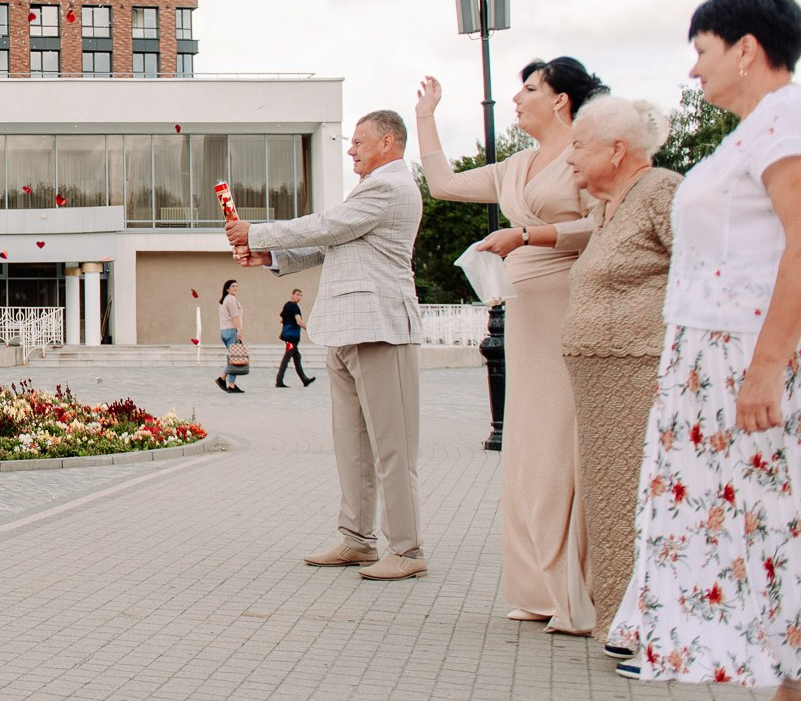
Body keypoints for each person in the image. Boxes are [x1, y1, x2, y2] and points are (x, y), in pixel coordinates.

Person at [605, 0, 801, 701]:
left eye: (701, 51)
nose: (692, 71)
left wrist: (766, 362)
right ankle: (790, 693)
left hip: (751, 356)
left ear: (746, 48)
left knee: (785, 525)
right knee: (757, 530)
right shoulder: (751, 131)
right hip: (710, 359)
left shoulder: (784, 119)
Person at [417, 59, 604, 635]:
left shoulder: (589, 152)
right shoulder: (516, 166)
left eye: (529, 89)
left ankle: (577, 594)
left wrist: (528, 234)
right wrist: (426, 118)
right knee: (526, 446)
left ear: (562, 100)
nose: (516, 99)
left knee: (560, 445)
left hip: (569, 310)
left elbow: (602, 224)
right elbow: (444, 184)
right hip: (525, 318)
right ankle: (537, 589)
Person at [227, 110, 428, 581]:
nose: (351, 149)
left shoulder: (390, 186)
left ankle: (407, 547)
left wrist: (256, 232)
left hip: (380, 328)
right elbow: (331, 244)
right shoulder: (370, 191)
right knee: (353, 444)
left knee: (392, 446)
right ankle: (358, 540)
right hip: (344, 329)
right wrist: (269, 255)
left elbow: (328, 225)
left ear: (387, 142)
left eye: (359, 141)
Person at [558, 95, 680, 647]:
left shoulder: (663, 191)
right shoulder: (608, 207)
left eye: (578, 146)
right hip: (599, 379)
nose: (569, 159)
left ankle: (651, 627)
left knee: (637, 498)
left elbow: (702, 273)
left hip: (640, 373)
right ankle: (620, 620)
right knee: (608, 503)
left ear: (617, 148)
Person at [276, 289, 315, 388]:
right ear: (292, 295)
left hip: (287, 337)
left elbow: (281, 319)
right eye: (297, 294)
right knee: (287, 357)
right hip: (292, 338)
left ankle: (304, 380)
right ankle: (279, 381)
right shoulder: (294, 307)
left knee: (297, 357)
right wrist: (309, 329)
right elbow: (298, 321)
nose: (299, 297)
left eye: (300, 295)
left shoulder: (287, 305)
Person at [214, 279, 246, 393]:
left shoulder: (223, 300)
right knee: (235, 358)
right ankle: (223, 378)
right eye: (233, 286)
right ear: (227, 288)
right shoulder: (231, 299)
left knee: (235, 357)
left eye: (237, 286)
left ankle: (231, 384)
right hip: (232, 330)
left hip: (224, 331)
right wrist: (239, 330)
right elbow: (235, 317)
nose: (235, 288)